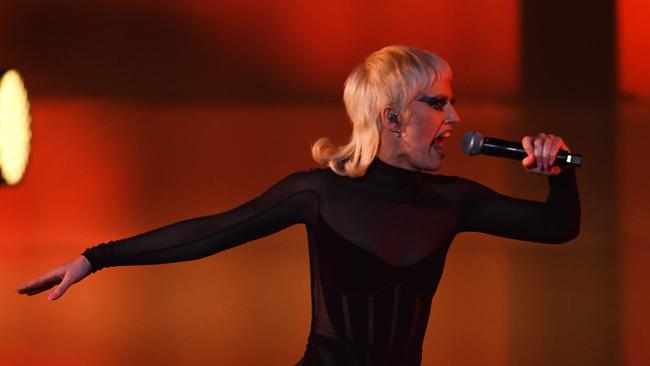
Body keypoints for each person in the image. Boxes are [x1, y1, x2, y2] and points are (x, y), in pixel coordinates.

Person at [17, 45, 580, 366]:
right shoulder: (319, 193)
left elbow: (557, 228)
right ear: (390, 117)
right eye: (438, 104)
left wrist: (559, 175)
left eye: (453, 104)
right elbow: (212, 232)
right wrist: (97, 257)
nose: (454, 120)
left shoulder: (454, 200)